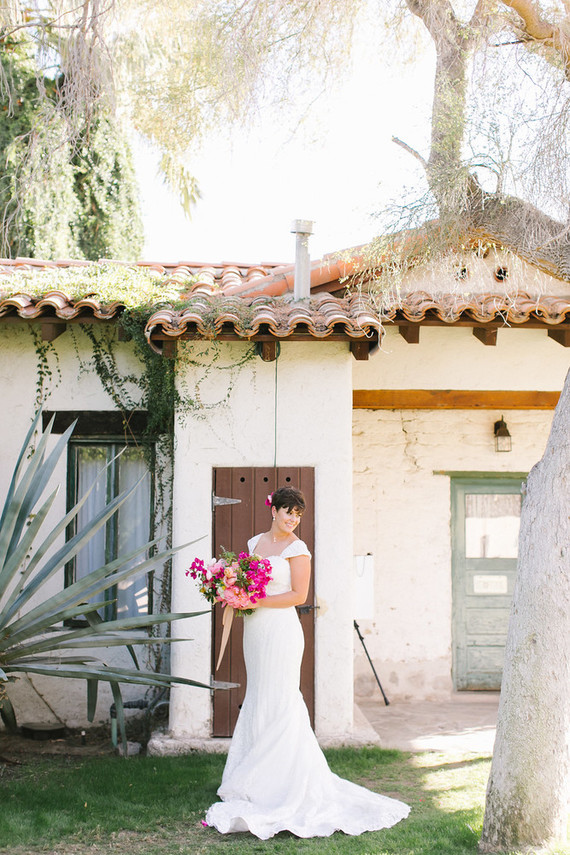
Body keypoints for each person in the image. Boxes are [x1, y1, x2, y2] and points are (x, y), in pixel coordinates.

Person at [205, 486, 410, 839]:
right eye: (288, 512)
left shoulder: (298, 550)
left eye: (298, 514)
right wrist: (232, 590)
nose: (293, 519)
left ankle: (284, 785)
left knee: (282, 699)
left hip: (282, 632)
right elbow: (243, 578)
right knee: (259, 697)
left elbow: (298, 595)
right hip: (255, 632)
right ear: (274, 511)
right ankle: (257, 780)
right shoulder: (254, 544)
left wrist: (251, 598)